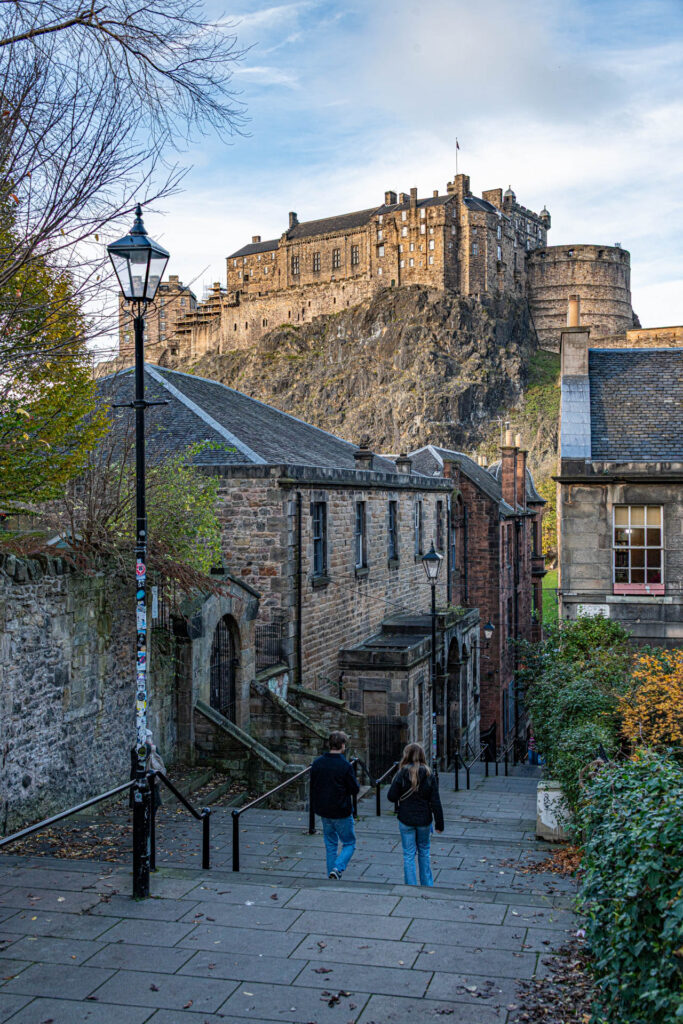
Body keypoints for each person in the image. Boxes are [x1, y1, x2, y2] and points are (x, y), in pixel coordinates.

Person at [387, 743, 444, 886]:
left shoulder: (401, 773)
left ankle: (411, 885)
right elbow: (435, 801)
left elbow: (391, 797)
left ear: (406, 756)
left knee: (408, 854)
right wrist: (439, 823)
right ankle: (427, 884)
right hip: (424, 820)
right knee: (424, 852)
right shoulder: (429, 774)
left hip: (406, 819)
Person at [310, 731, 360, 880]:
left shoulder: (318, 763)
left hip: (324, 810)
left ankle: (331, 874)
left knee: (330, 844)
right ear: (343, 745)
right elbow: (354, 789)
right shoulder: (344, 765)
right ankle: (338, 868)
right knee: (349, 842)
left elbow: (313, 785)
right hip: (341, 810)